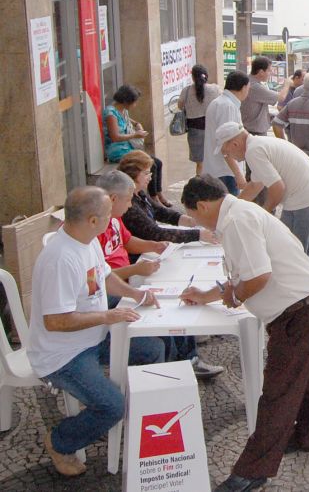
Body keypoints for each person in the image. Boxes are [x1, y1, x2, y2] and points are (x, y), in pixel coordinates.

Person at [179, 175, 309, 492]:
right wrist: (209, 295)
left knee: (278, 389)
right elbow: (245, 274)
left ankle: (253, 469)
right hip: (304, 302)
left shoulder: (236, 221)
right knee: (306, 373)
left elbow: (258, 276)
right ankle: (308, 436)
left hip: (299, 308)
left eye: (193, 214)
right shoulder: (238, 213)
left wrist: (234, 298)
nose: (195, 220)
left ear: (203, 205)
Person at [27, 186, 163, 477]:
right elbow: (55, 321)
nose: (113, 219)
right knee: (112, 407)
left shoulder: (86, 241)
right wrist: (107, 315)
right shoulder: (61, 259)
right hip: (62, 355)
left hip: (93, 337)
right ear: (91, 220)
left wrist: (136, 295)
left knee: (152, 349)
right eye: (106, 215)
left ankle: (139, 417)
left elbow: (105, 277)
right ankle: (60, 441)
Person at [95, 171, 224, 378]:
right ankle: (173, 372)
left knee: (176, 303)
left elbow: (127, 241)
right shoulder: (95, 227)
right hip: (115, 294)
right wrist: (136, 270)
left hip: (125, 284)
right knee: (163, 321)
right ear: (112, 199)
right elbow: (100, 277)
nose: (130, 206)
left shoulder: (114, 219)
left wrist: (153, 246)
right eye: (128, 200)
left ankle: (185, 363)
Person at [216, 123, 309, 260]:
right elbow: (255, 185)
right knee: (302, 251)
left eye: (227, 153)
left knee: (292, 254)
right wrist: (230, 208)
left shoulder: (253, 151)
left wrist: (265, 212)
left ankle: (303, 281)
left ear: (234, 144)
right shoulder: (258, 144)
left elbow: (277, 188)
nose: (229, 157)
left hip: (304, 201)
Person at [117, 150, 215, 246]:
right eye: (146, 173)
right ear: (133, 173)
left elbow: (159, 211)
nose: (150, 178)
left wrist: (191, 221)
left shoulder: (139, 192)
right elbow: (155, 233)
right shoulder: (128, 203)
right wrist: (198, 235)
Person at [103, 84, 171, 207]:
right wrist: (135, 135)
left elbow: (129, 121)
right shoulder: (111, 113)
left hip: (128, 146)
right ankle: (154, 197)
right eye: (134, 102)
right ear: (126, 101)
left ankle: (159, 193)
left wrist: (137, 124)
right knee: (152, 164)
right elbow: (115, 136)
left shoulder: (122, 111)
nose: (135, 105)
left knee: (158, 162)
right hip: (118, 149)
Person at [204, 70, 249, 196]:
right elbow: (227, 144)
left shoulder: (222, 102)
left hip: (221, 170)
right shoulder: (227, 106)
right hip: (225, 172)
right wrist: (238, 174)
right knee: (228, 211)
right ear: (244, 87)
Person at [177, 64, 221, 176]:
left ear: (192, 77)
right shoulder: (214, 89)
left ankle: (200, 182)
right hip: (213, 128)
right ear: (206, 76)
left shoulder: (186, 91)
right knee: (213, 159)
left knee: (200, 163)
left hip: (194, 129)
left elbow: (180, 106)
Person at [240, 56, 291, 138]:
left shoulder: (252, 82)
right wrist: (287, 84)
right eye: (269, 71)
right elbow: (281, 97)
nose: (271, 73)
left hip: (253, 131)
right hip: (254, 133)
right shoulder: (254, 86)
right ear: (261, 72)